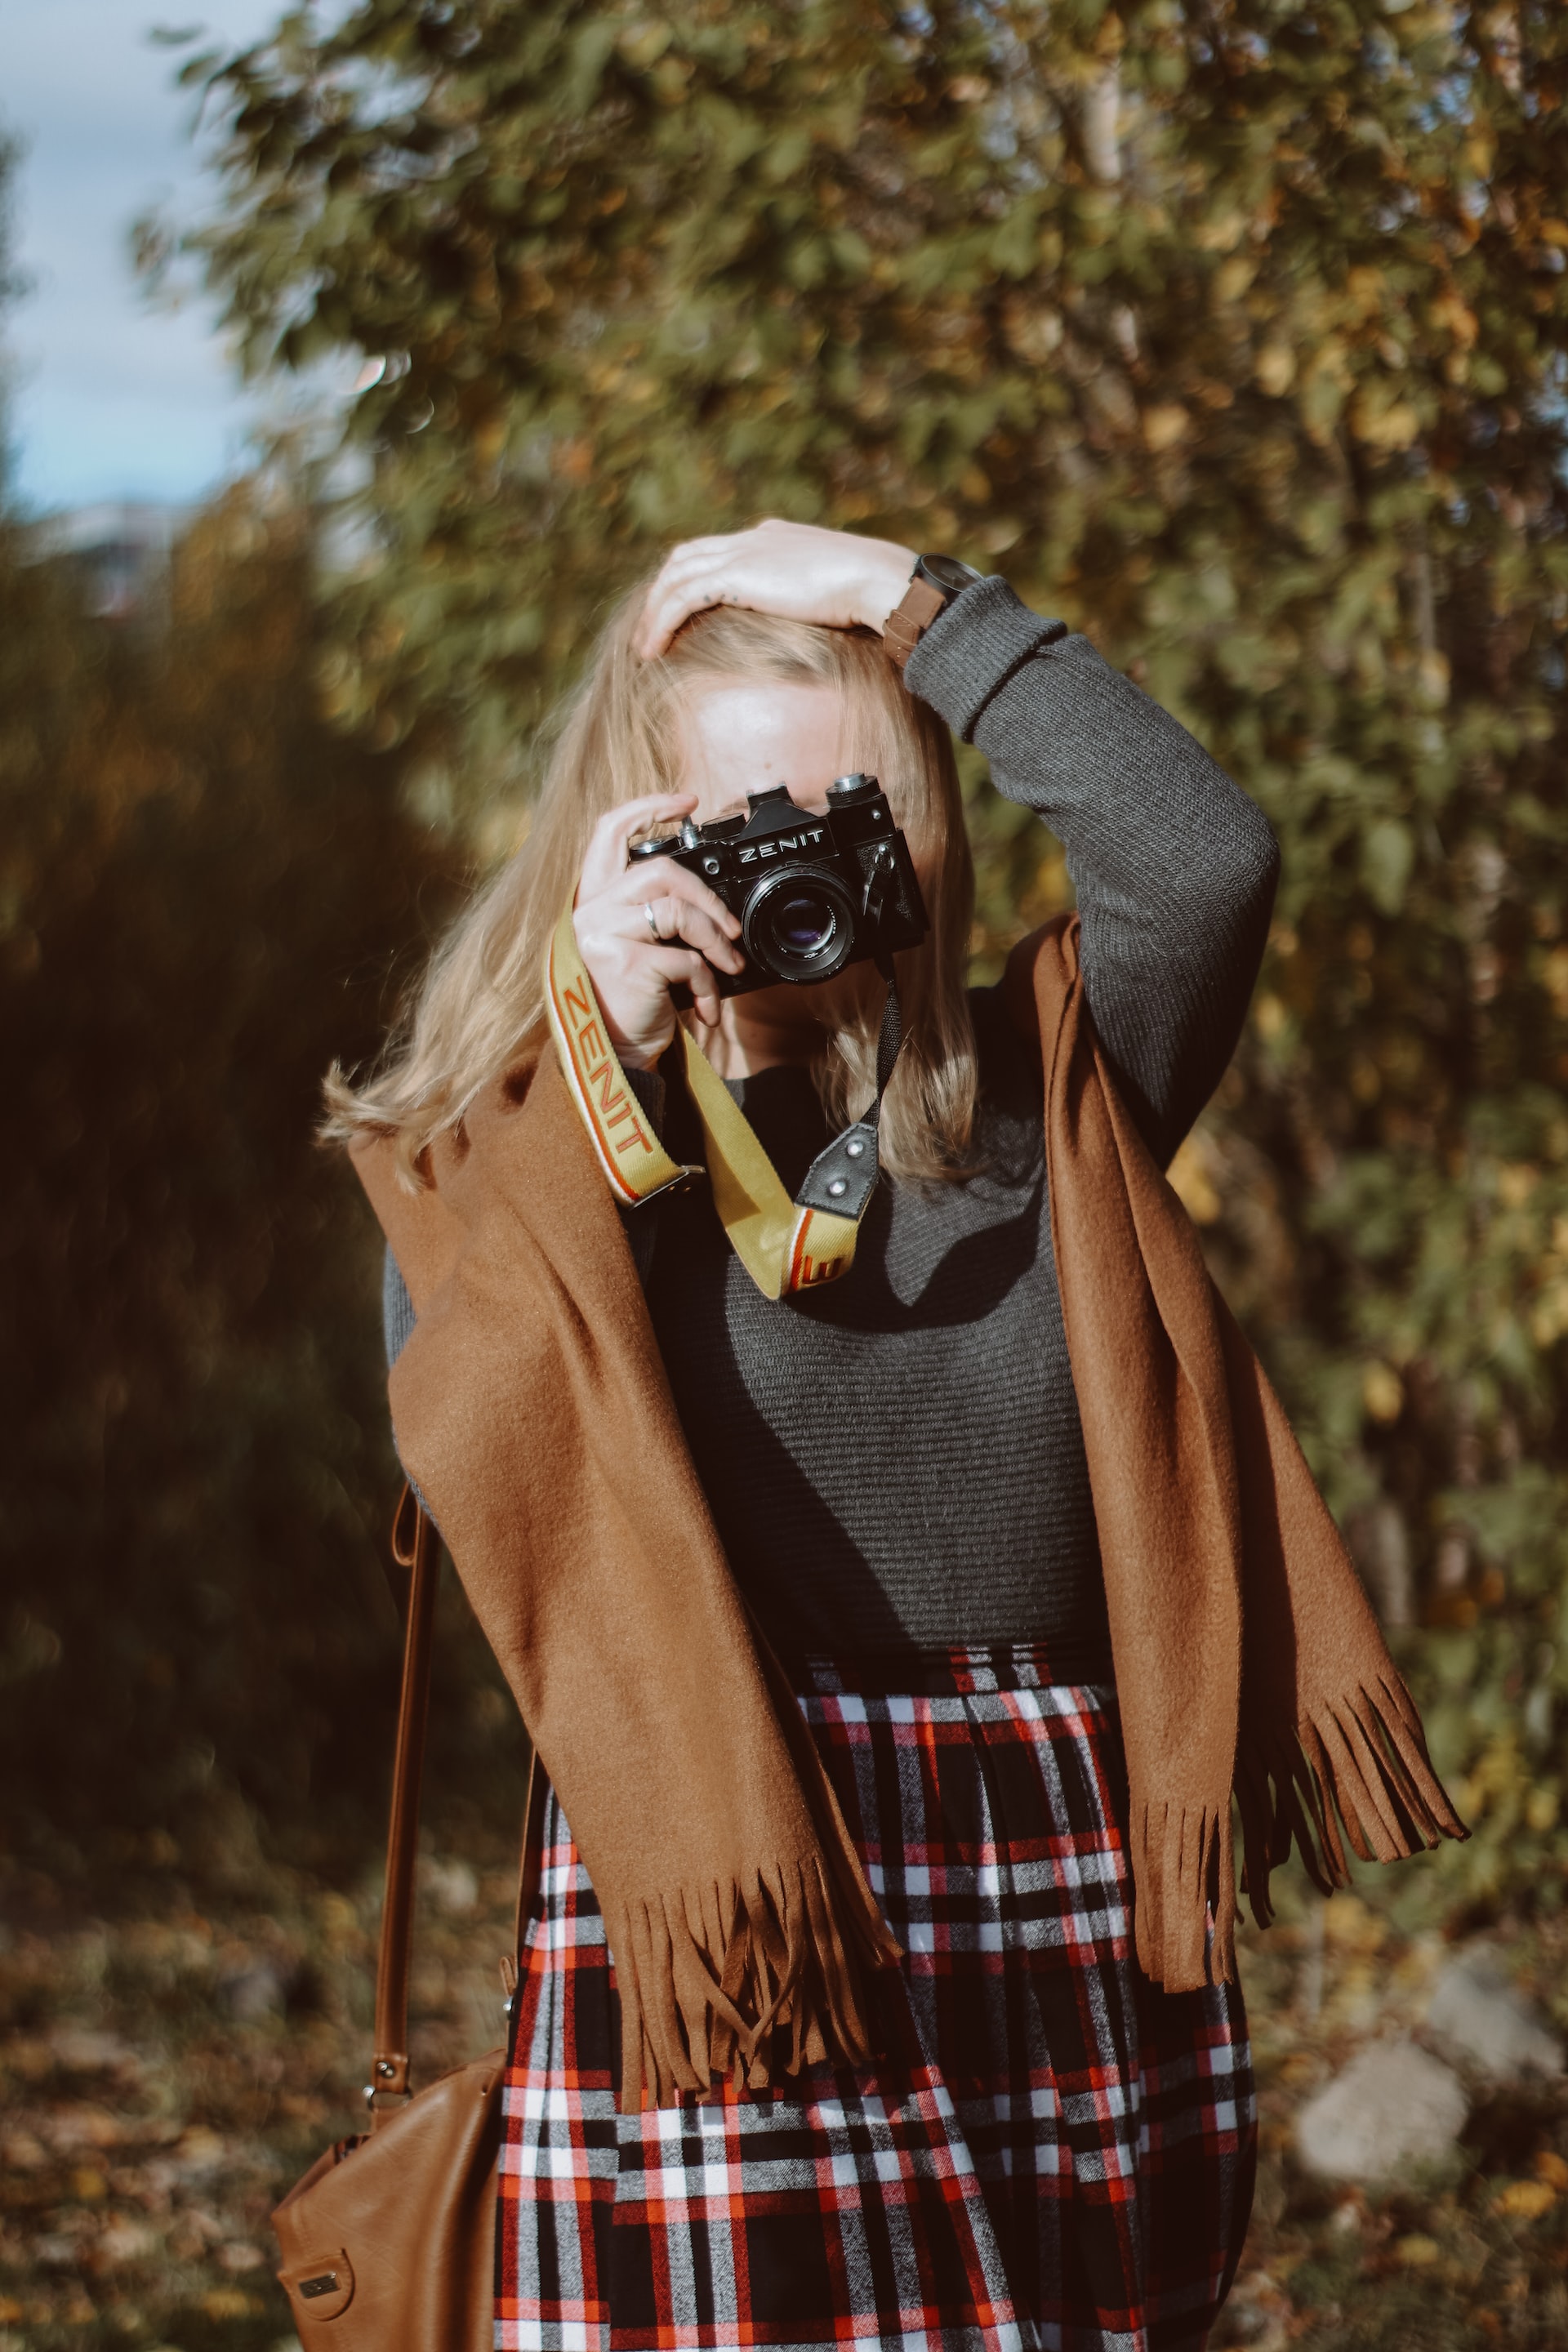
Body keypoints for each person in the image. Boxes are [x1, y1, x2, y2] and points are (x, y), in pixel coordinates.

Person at [333, 521, 1462, 2352]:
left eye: (856, 810)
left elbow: (1208, 855)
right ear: (633, 843)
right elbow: (463, 1437)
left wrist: (912, 601)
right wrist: (594, 1065)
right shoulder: (530, 1140)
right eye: (747, 823)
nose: (806, 869)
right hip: (746, 1859)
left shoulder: (1048, 1082)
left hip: (1055, 1839)